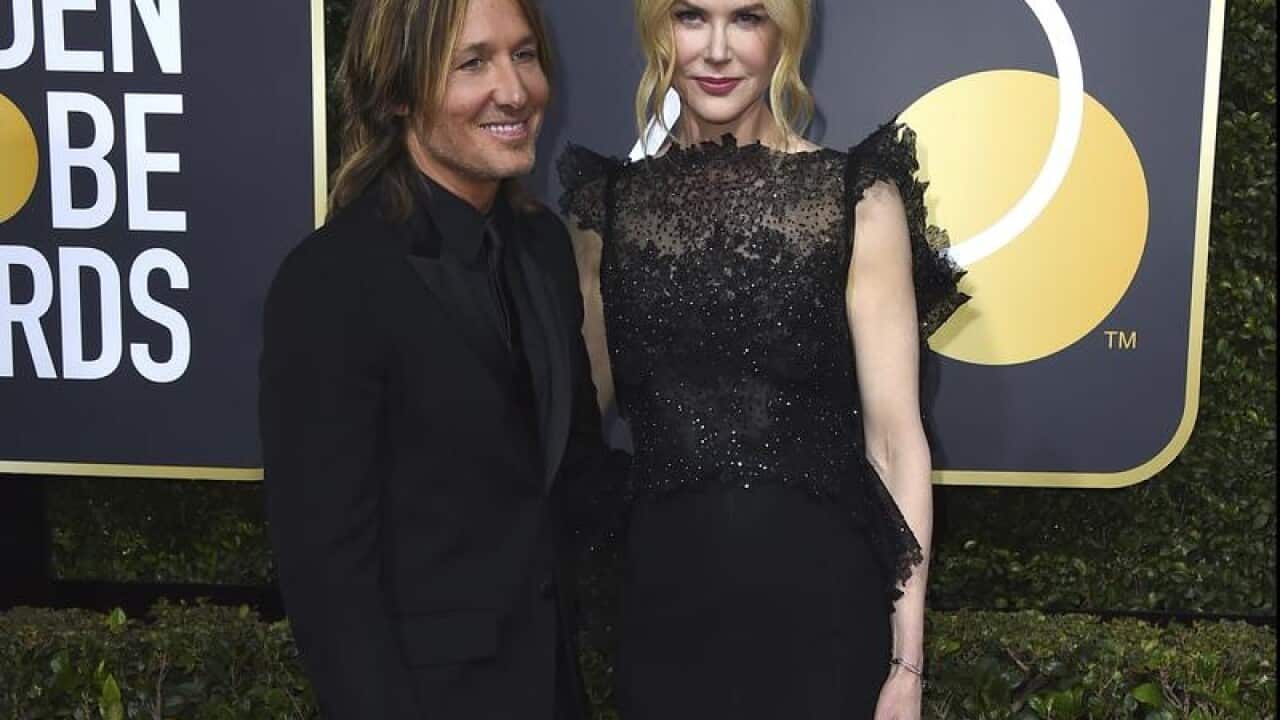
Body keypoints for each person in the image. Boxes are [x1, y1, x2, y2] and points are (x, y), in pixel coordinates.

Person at [558, 0, 968, 718]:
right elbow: (571, 426)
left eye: (746, 18)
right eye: (691, 17)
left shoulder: (855, 202)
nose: (717, 50)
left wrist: (906, 665)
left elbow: (897, 442)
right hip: (666, 615)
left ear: (786, 32)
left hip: (822, 616)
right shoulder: (606, 215)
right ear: (659, 29)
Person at [258, 1, 625, 718]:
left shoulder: (545, 247)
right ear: (397, 92)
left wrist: (732, 484)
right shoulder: (331, 282)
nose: (515, 90)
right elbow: (330, 583)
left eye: (524, 54)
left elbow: (575, 475)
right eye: (473, 62)